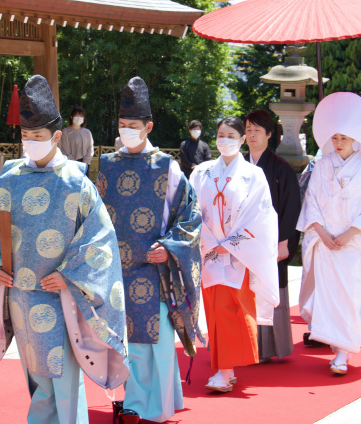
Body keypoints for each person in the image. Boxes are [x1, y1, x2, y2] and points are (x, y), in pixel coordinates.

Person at [0, 75, 128, 424]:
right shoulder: (9, 178)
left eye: (37, 137)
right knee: (36, 380)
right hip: (21, 296)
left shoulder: (76, 181)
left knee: (65, 382)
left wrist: (70, 275)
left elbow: (100, 238)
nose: (30, 143)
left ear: (56, 137)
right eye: (25, 136)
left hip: (62, 297)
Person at [96, 76, 202, 422]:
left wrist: (170, 248)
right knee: (129, 342)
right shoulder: (108, 166)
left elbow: (191, 215)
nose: (127, 130)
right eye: (122, 125)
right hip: (117, 270)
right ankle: (148, 401)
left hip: (154, 267)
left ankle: (146, 408)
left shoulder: (167, 168)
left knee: (153, 343)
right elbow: (95, 218)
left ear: (149, 126)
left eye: (133, 125)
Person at [297, 92, 361, 376]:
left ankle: (344, 352)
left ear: (355, 139)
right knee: (327, 294)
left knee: (349, 294)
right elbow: (311, 200)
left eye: (343, 138)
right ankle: (334, 346)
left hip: (352, 244)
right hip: (325, 243)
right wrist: (321, 233)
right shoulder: (321, 165)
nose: (337, 143)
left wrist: (348, 235)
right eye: (334, 138)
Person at [190, 117, 279, 392]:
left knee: (231, 309)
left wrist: (229, 243)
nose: (224, 139)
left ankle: (225, 370)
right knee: (213, 309)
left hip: (238, 253)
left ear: (242, 140)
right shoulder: (202, 172)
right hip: (208, 250)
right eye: (220, 134)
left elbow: (260, 214)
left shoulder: (254, 175)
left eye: (231, 135)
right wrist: (207, 240)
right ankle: (223, 368)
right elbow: (190, 208)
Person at [244, 109, 300, 362]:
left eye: (257, 130)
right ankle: (244, 344)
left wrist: (284, 242)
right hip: (242, 243)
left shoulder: (281, 168)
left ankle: (269, 348)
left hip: (270, 242)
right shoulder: (238, 165)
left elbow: (291, 207)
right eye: (248, 129)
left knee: (269, 291)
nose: (252, 134)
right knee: (243, 291)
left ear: (269, 134)